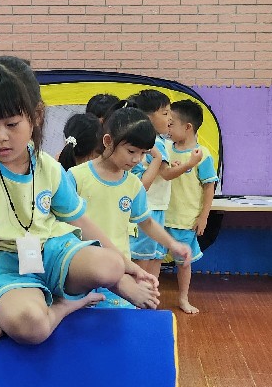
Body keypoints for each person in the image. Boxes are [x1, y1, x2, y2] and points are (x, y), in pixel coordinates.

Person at [0, 59, 160, 350]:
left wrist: (128, 268)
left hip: (54, 250)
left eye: (11, 124)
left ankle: (111, 283)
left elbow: (81, 222)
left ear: (36, 116)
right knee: (31, 327)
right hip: (10, 266)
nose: (0, 137)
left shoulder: (47, 166)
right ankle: (67, 304)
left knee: (111, 264)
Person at [69, 106, 193, 271]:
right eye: (131, 151)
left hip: (119, 266)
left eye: (143, 153)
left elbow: (146, 222)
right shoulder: (77, 176)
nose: (137, 159)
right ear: (108, 141)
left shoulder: (134, 184)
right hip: (81, 265)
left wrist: (173, 244)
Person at [127, 87, 204, 282]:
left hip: (157, 206)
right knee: (143, 258)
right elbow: (167, 174)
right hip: (149, 207)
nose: (169, 118)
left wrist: (177, 166)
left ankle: (150, 293)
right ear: (148, 117)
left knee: (155, 256)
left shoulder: (159, 141)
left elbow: (162, 172)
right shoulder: (154, 141)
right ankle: (138, 294)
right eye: (165, 113)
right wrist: (189, 164)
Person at [165, 99, 219, 315]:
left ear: (188, 127)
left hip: (184, 219)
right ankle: (148, 296)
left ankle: (183, 298)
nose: (167, 128)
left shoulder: (201, 154)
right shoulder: (165, 148)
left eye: (171, 124)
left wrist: (203, 217)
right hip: (161, 216)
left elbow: (209, 187)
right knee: (153, 258)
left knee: (183, 263)